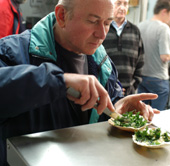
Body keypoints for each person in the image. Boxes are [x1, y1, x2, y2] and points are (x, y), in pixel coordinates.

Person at [0, 0, 160, 165]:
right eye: (92, 21)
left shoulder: (102, 61)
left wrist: (117, 104)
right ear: (62, 16)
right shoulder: (12, 52)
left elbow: (104, 101)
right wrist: (57, 81)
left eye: (107, 23)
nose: (102, 34)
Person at [137, 0, 170, 110]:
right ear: (164, 11)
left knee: (141, 113)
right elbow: (165, 56)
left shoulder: (140, 26)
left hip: (142, 76)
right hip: (158, 79)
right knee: (157, 117)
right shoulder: (163, 28)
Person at [103, 0, 144, 96]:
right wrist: (109, 86)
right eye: (118, 3)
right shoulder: (103, 28)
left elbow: (140, 62)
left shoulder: (135, 31)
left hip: (128, 91)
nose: (122, 7)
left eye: (125, 4)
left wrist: (132, 86)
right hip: (104, 91)